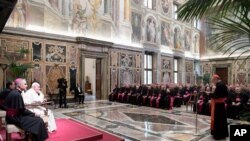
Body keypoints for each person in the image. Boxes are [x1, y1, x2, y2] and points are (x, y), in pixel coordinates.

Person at [210, 74, 229, 140]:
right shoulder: (222, 84)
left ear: (216, 79)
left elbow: (217, 96)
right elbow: (225, 94)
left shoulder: (219, 86)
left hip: (218, 105)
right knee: (222, 120)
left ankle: (219, 135)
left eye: (213, 80)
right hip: (221, 105)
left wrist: (209, 94)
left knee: (218, 120)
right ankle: (223, 134)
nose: (213, 82)